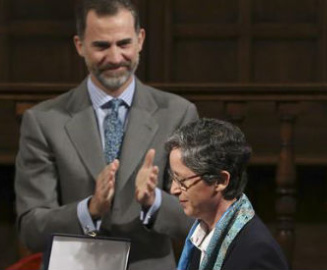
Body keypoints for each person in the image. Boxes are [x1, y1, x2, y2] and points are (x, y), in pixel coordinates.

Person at [14, 0, 198, 269]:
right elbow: (31, 230)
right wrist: (88, 211)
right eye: (101, 46)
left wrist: (154, 202)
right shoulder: (43, 122)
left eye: (123, 44)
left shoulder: (179, 114)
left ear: (140, 40)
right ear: (80, 46)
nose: (114, 58)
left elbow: (200, 220)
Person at [163, 118, 289, 270]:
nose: (173, 190)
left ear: (221, 181)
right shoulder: (200, 235)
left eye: (182, 180)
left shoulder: (257, 252)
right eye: (173, 178)